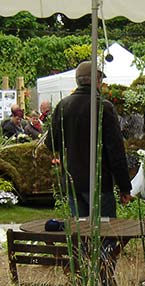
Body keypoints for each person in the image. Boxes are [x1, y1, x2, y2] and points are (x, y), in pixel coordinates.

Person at [46, 61, 131, 218]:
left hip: (73, 181)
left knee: (81, 234)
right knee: (105, 235)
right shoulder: (103, 107)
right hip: (100, 183)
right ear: (97, 81)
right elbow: (116, 151)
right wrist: (124, 187)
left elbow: (51, 143)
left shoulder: (63, 106)